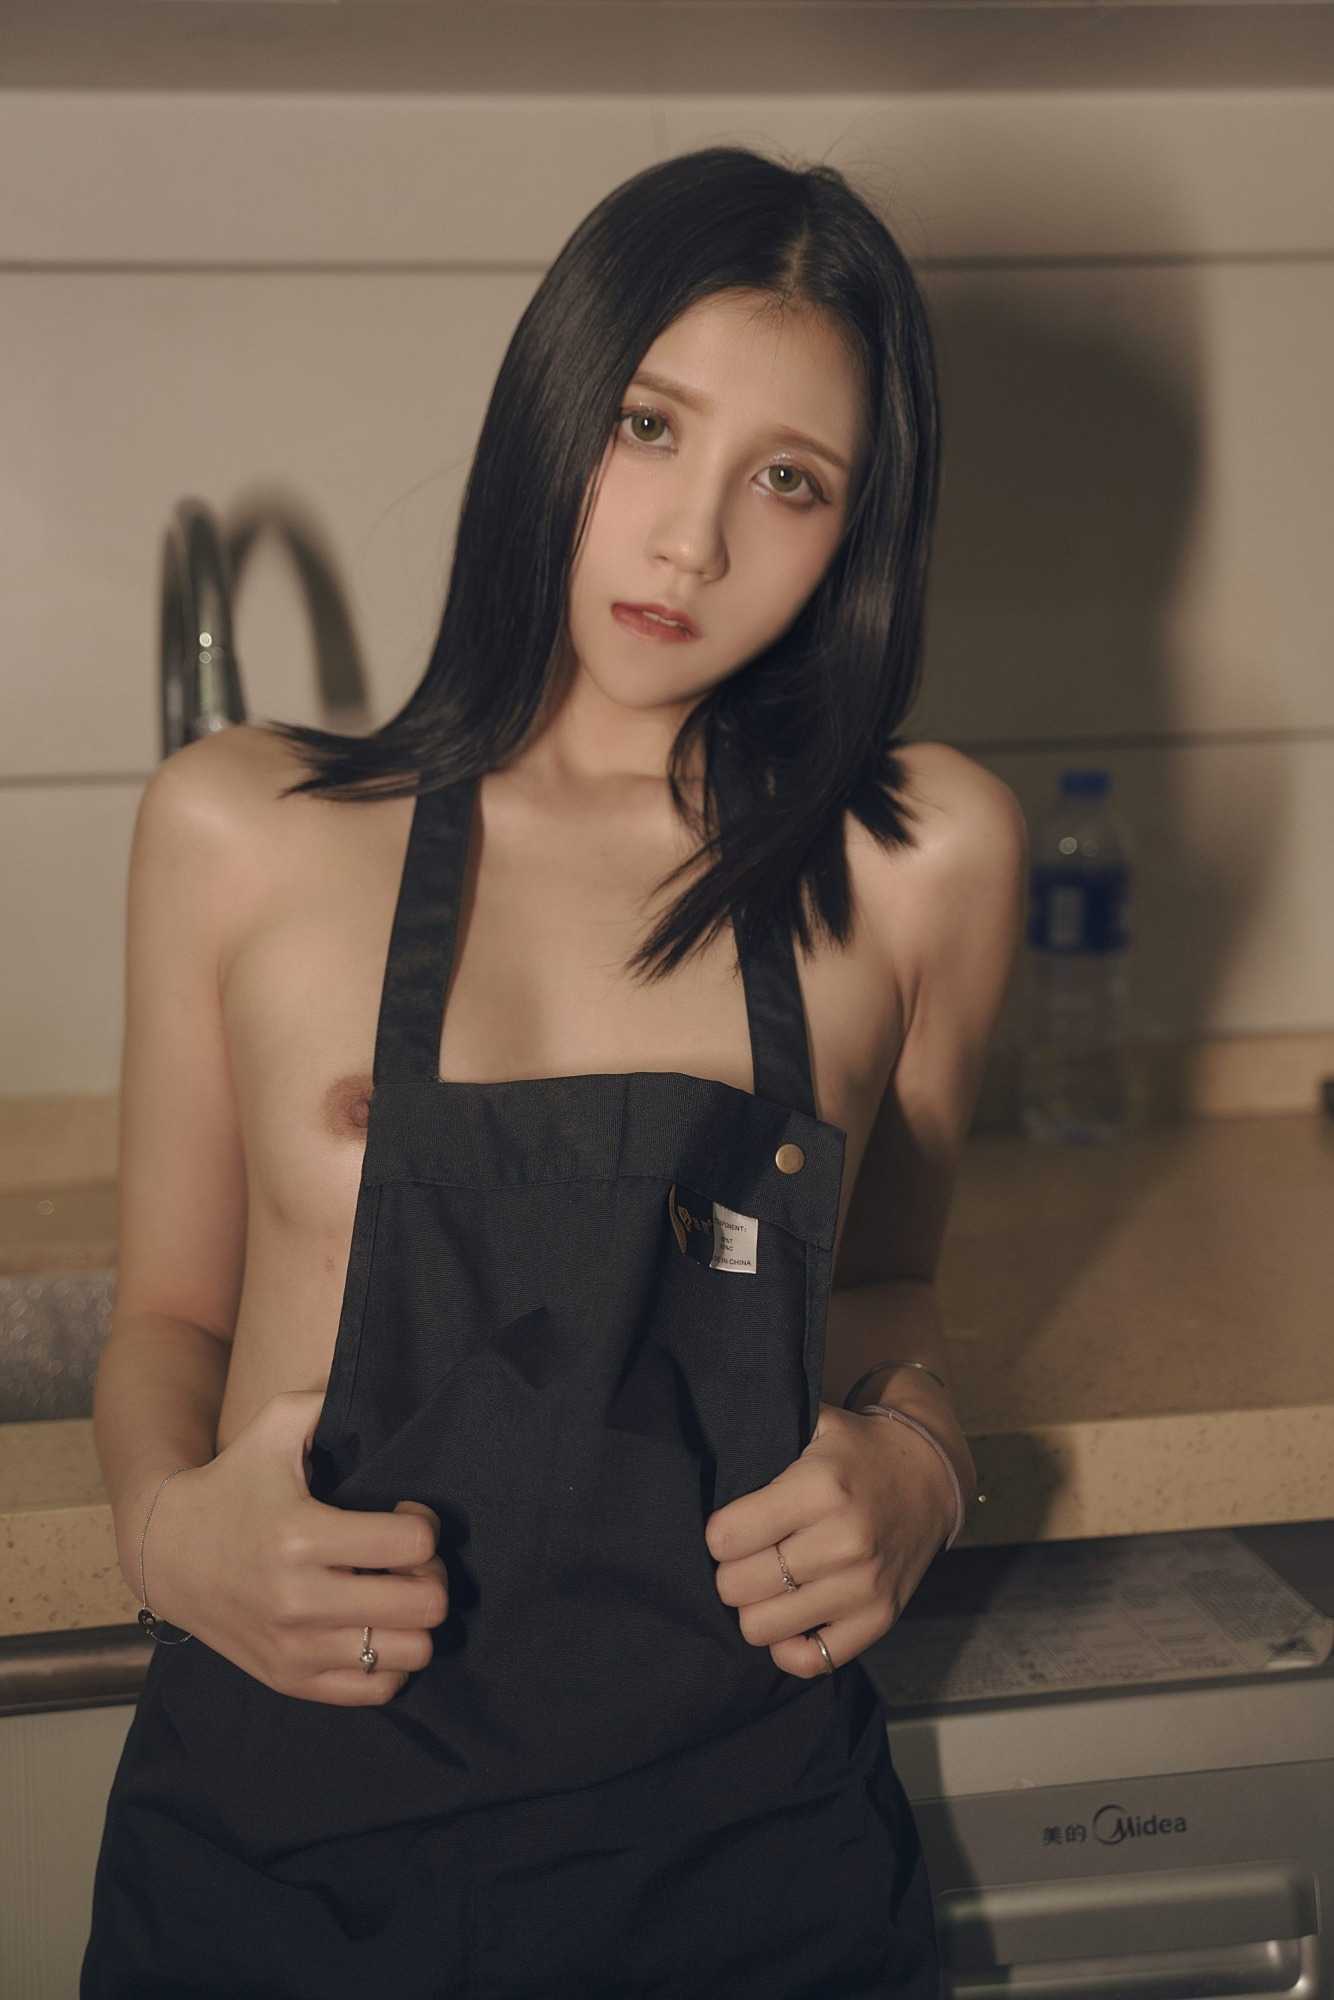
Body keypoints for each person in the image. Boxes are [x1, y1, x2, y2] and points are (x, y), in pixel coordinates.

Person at [81, 143, 1024, 1997]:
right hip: (286, 1856)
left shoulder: (924, 859)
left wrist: (924, 1458)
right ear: (551, 408)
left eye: (787, 479)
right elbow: (170, 1319)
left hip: (752, 1859)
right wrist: (165, 1533)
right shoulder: (239, 827)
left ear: (857, 532)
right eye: (647, 428)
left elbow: (882, 1292)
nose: (690, 545)